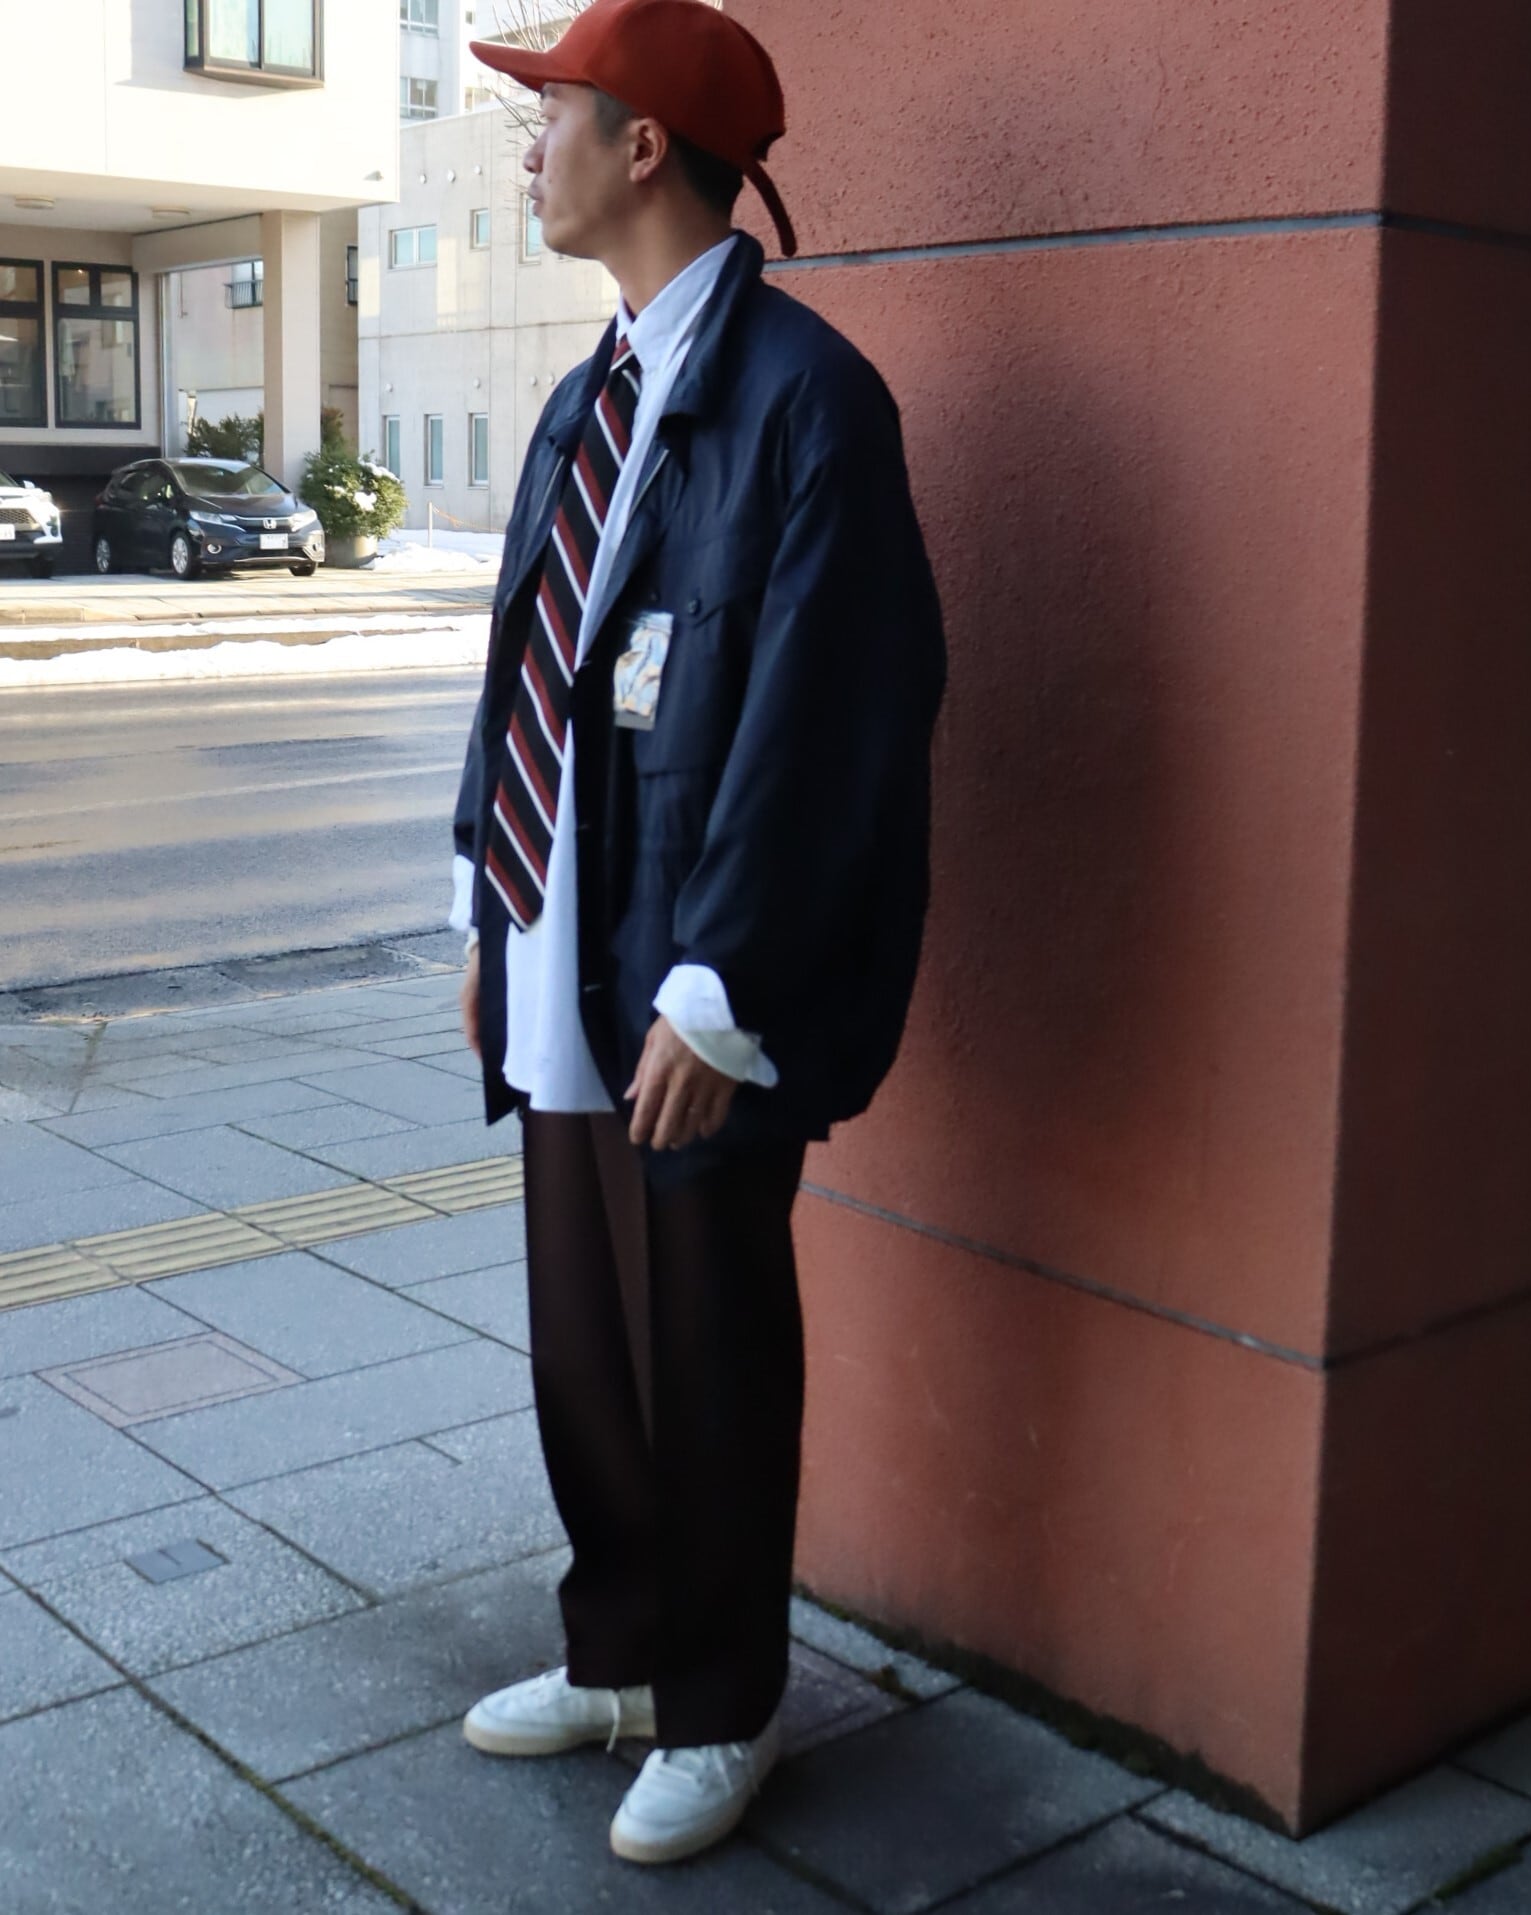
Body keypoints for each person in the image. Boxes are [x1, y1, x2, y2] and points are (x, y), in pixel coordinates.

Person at [445, 0, 945, 1867]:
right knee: (586, 1335)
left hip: (692, 973)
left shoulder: (809, 401)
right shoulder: (590, 395)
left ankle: (725, 1702)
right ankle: (626, 1655)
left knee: (712, 1340)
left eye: (554, 113)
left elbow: (837, 718)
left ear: (643, 145)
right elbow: (526, 667)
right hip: (566, 937)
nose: (533, 148)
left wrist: (723, 986)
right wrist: (488, 907)